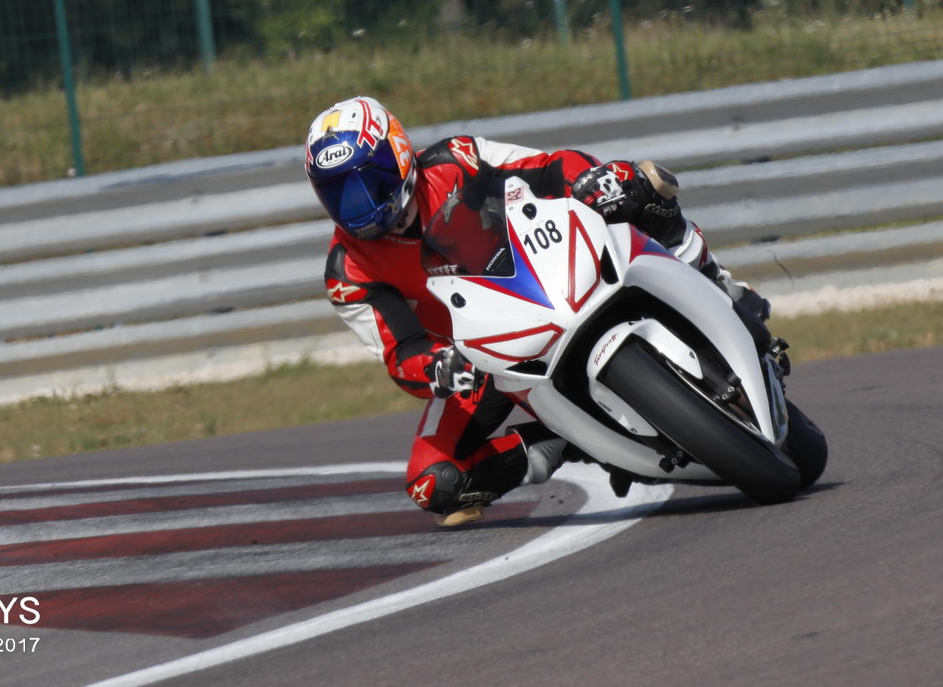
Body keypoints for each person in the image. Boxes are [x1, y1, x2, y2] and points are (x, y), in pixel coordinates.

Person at [304, 95, 770, 526]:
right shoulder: (347, 271)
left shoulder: (459, 157)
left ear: (399, 156)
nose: (359, 205)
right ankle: (578, 441)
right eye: (339, 194)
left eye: (369, 183)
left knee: (635, 184)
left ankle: (714, 278)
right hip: (486, 352)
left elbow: (548, 167)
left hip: (548, 263)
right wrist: (437, 367)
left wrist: (592, 181)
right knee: (433, 481)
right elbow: (401, 351)